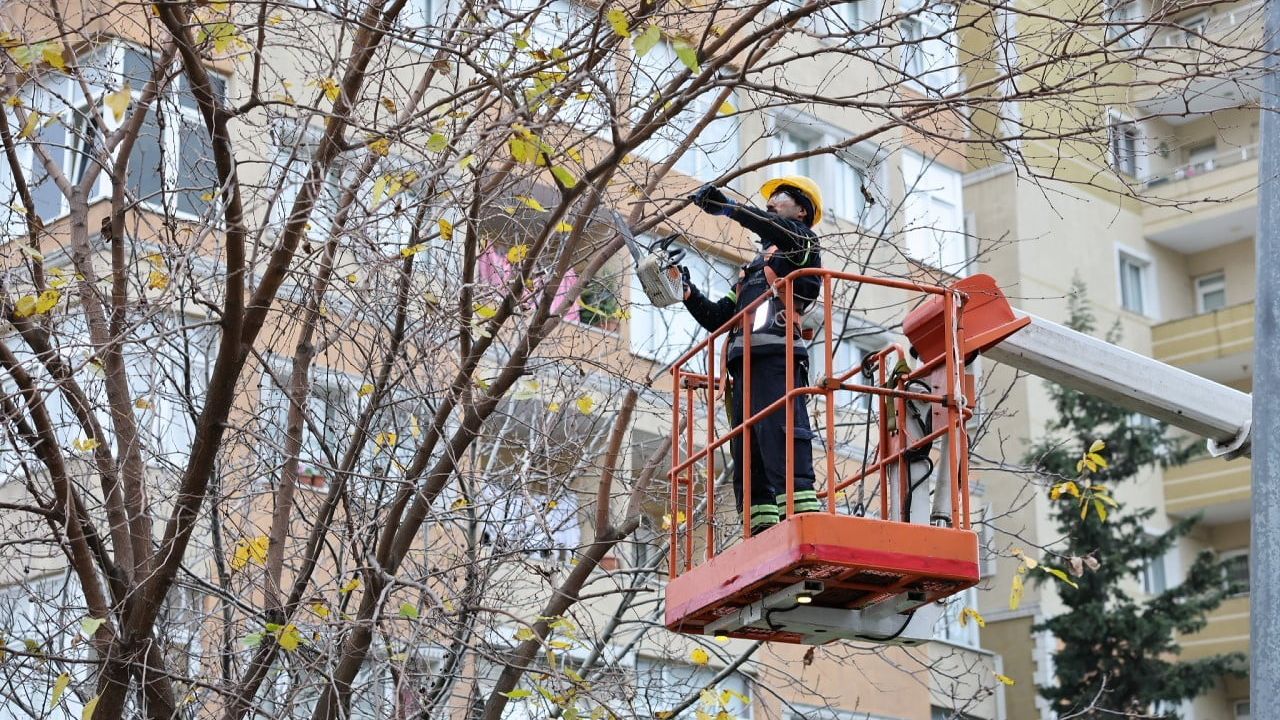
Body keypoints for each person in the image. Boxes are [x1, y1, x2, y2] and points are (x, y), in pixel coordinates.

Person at [680, 176, 824, 534]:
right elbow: (719, 318)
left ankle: (802, 515)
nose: (771, 202)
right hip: (743, 368)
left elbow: (769, 224)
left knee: (780, 436)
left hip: (777, 359)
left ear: (801, 211)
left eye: (780, 197)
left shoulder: (801, 242)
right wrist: (685, 291)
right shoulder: (754, 271)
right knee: (749, 451)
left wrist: (727, 207)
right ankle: (759, 527)